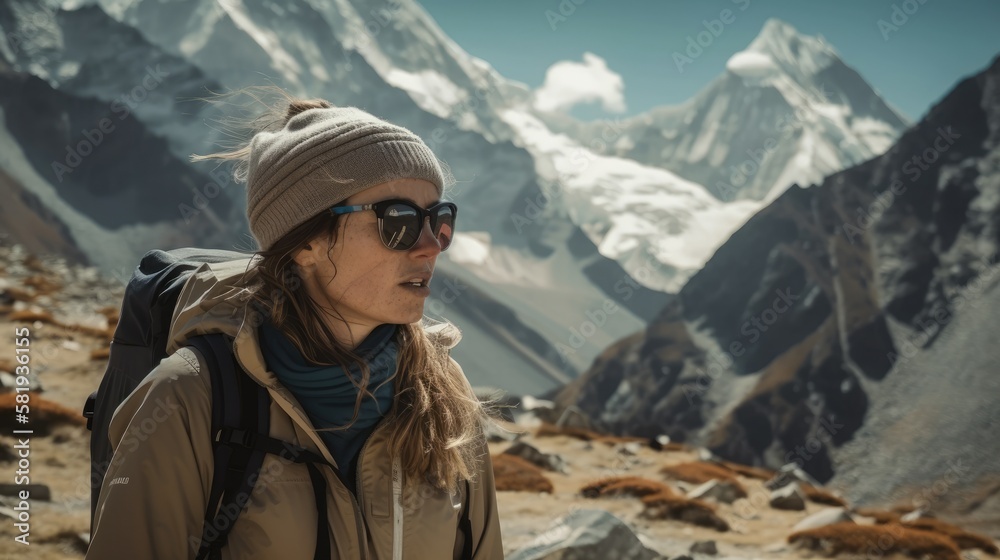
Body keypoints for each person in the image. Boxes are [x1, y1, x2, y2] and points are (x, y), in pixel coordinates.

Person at [85, 94, 505, 559]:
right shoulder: (190, 398)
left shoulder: (443, 394)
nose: (430, 246)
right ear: (305, 243)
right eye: (399, 221)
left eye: (439, 219)